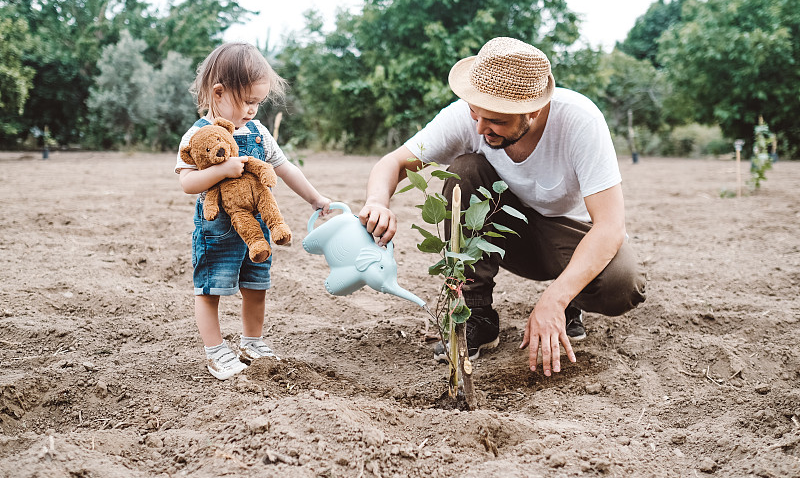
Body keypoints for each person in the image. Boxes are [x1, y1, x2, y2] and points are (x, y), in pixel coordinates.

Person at [358, 37, 646, 377]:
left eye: (496, 121)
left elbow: (610, 227)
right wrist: (377, 202)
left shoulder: (580, 121)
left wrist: (554, 299)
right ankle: (477, 315)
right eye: (475, 113)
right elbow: (393, 163)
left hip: (566, 240)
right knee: (465, 169)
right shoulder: (470, 117)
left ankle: (570, 301)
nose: (481, 128)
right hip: (504, 231)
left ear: (533, 111)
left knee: (621, 284)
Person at [176, 42, 331, 380]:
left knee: (256, 285)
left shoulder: (259, 133)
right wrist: (222, 170)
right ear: (219, 93)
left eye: (258, 103)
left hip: (256, 229)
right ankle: (216, 352)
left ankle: (252, 343)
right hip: (217, 230)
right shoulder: (197, 135)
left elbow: (285, 168)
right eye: (247, 101)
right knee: (209, 290)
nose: (252, 110)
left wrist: (315, 198)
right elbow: (188, 182)